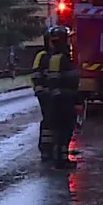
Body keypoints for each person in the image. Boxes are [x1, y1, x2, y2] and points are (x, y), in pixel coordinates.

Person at [38, 26, 80, 169]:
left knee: (59, 128)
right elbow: (57, 81)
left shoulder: (59, 58)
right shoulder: (57, 59)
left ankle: (55, 155)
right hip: (62, 101)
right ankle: (60, 158)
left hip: (59, 99)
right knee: (64, 129)